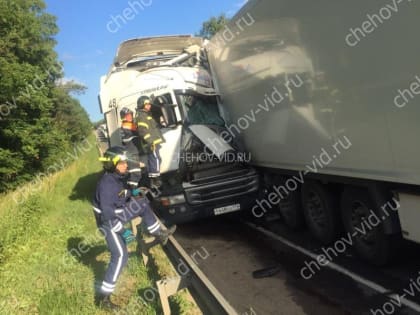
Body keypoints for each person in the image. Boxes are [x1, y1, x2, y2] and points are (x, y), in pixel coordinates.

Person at [93, 146, 176, 310]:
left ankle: (157, 232)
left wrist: (133, 192)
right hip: (109, 223)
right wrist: (123, 230)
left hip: (116, 216)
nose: (126, 165)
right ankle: (103, 299)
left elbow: (122, 194)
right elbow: (107, 215)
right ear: (112, 164)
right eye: (122, 162)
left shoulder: (116, 178)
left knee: (142, 203)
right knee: (120, 256)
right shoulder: (106, 184)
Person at [135, 96, 165, 187]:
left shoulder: (146, 114)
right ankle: (155, 180)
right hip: (151, 143)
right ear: (142, 105)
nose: (149, 106)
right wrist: (150, 141)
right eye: (147, 104)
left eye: (149, 104)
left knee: (156, 159)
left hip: (153, 142)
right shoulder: (141, 116)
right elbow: (142, 131)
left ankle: (154, 179)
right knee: (155, 159)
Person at [119, 107, 143, 188]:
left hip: (134, 152)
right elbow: (126, 139)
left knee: (136, 174)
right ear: (124, 117)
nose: (130, 116)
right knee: (135, 174)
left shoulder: (132, 125)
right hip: (131, 153)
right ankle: (131, 194)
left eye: (131, 115)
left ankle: (132, 193)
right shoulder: (126, 126)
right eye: (128, 115)